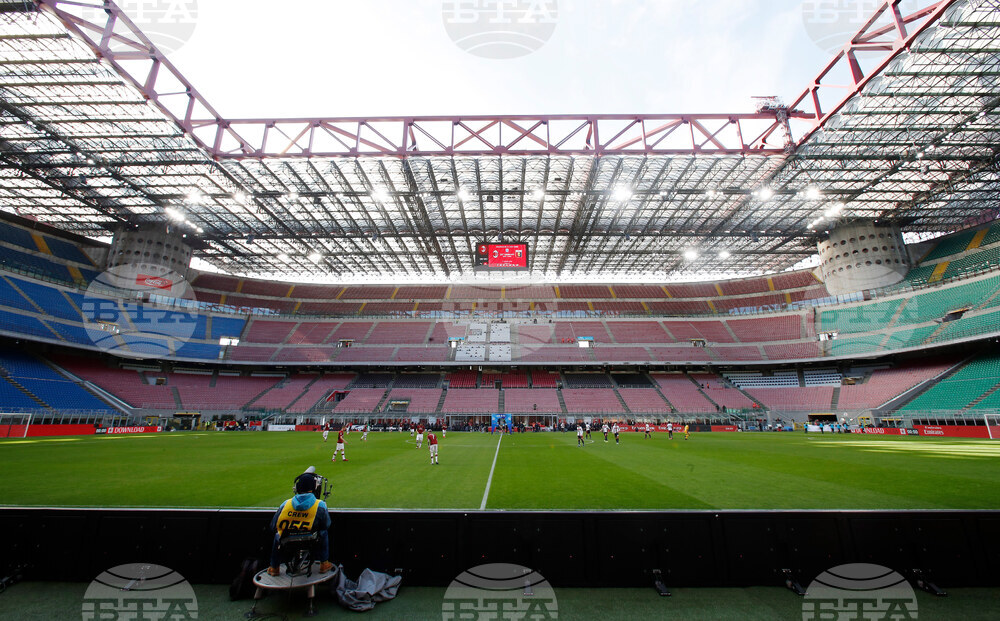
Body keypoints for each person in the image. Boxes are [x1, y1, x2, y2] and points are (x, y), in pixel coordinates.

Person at [268, 469, 333, 576]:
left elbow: (273, 525)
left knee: (277, 535)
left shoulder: (285, 504)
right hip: (310, 540)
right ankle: (324, 563)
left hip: (286, 541)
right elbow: (326, 524)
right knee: (323, 533)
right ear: (314, 488)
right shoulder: (320, 505)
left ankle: (274, 567)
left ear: (297, 488)